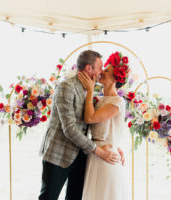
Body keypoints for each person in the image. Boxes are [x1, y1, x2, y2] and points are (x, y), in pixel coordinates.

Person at [39, 50, 124, 200]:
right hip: (59, 154)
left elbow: (104, 124)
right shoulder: (66, 87)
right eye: (100, 67)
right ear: (89, 69)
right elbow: (69, 128)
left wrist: (115, 145)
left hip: (81, 157)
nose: (101, 72)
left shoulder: (92, 91)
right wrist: (98, 150)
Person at [78, 51, 130, 200]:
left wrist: (90, 90)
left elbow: (90, 118)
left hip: (107, 158)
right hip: (95, 154)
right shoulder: (100, 99)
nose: (101, 72)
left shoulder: (117, 101)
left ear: (116, 78)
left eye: (106, 71)